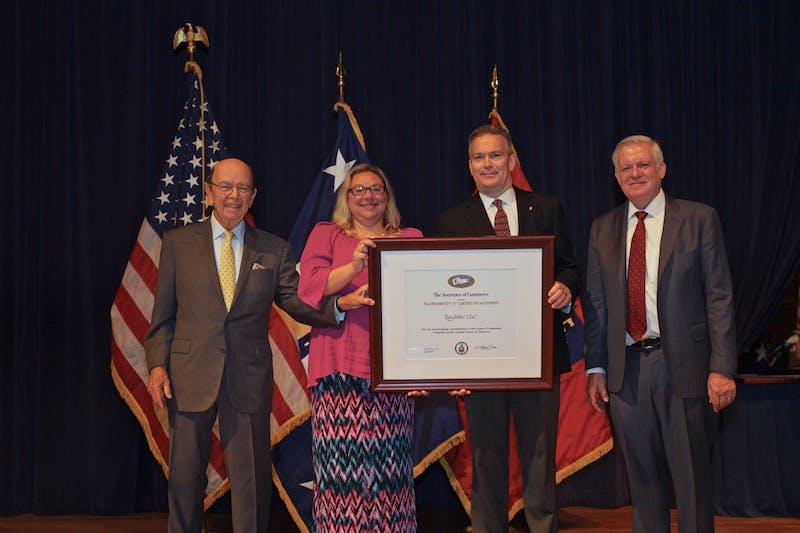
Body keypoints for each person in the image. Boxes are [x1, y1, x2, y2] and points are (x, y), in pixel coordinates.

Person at [144, 158, 370, 533]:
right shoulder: (177, 244)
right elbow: (162, 317)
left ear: (253, 196)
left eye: (243, 188)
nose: (234, 195)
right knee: (184, 479)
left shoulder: (273, 249)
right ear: (209, 192)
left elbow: (295, 302)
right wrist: (156, 366)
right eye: (226, 186)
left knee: (251, 481)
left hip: (247, 378)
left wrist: (339, 305)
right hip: (189, 377)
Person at [584, 135, 737, 532]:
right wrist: (596, 368)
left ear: (661, 170)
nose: (635, 173)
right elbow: (597, 305)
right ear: (616, 176)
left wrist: (722, 368)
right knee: (642, 484)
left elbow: (719, 296)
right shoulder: (602, 228)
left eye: (643, 165)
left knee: (692, 484)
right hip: (626, 373)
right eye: (626, 167)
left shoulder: (699, 218)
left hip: (685, 368)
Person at [437, 124, 581, 532]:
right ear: (469, 166)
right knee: (486, 454)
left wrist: (565, 288)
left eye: (495, 155)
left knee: (540, 454)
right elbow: (446, 294)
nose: (488, 164)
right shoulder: (451, 220)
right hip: (480, 358)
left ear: (512, 160)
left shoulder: (546, 208)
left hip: (538, 352)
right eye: (479, 157)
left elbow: (569, 267)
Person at [298, 163, 424, 532]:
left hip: (393, 372)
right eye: (359, 190)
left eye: (375, 189)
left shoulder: (410, 238)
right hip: (337, 368)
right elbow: (310, 288)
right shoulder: (326, 235)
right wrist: (354, 266)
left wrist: (421, 370)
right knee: (341, 478)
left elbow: (422, 305)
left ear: (387, 196)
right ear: (346, 198)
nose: (368, 196)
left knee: (389, 476)